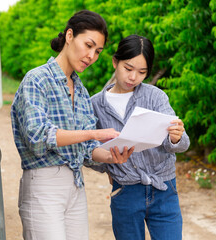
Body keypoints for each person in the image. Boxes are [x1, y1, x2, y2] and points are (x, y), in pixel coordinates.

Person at [11, 10, 134, 240]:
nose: (91, 56)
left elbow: (88, 151)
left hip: (76, 186)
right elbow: (38, 137)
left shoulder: (81, 90)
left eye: (97, 51)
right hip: (43, 185)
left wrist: (111, 156)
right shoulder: (37, 80)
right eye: (88, 45)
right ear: (69, 36)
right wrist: (92, 133)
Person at [90, 34, 190, 240]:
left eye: (142, 72)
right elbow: (87, 152)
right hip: (125, 192)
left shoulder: (155, 96)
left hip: (164, 190)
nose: (133, 77)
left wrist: (175, 138)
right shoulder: (94, 105)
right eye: (128, 68)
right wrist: (108, 163)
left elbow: (182, 144)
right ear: (115, 62)